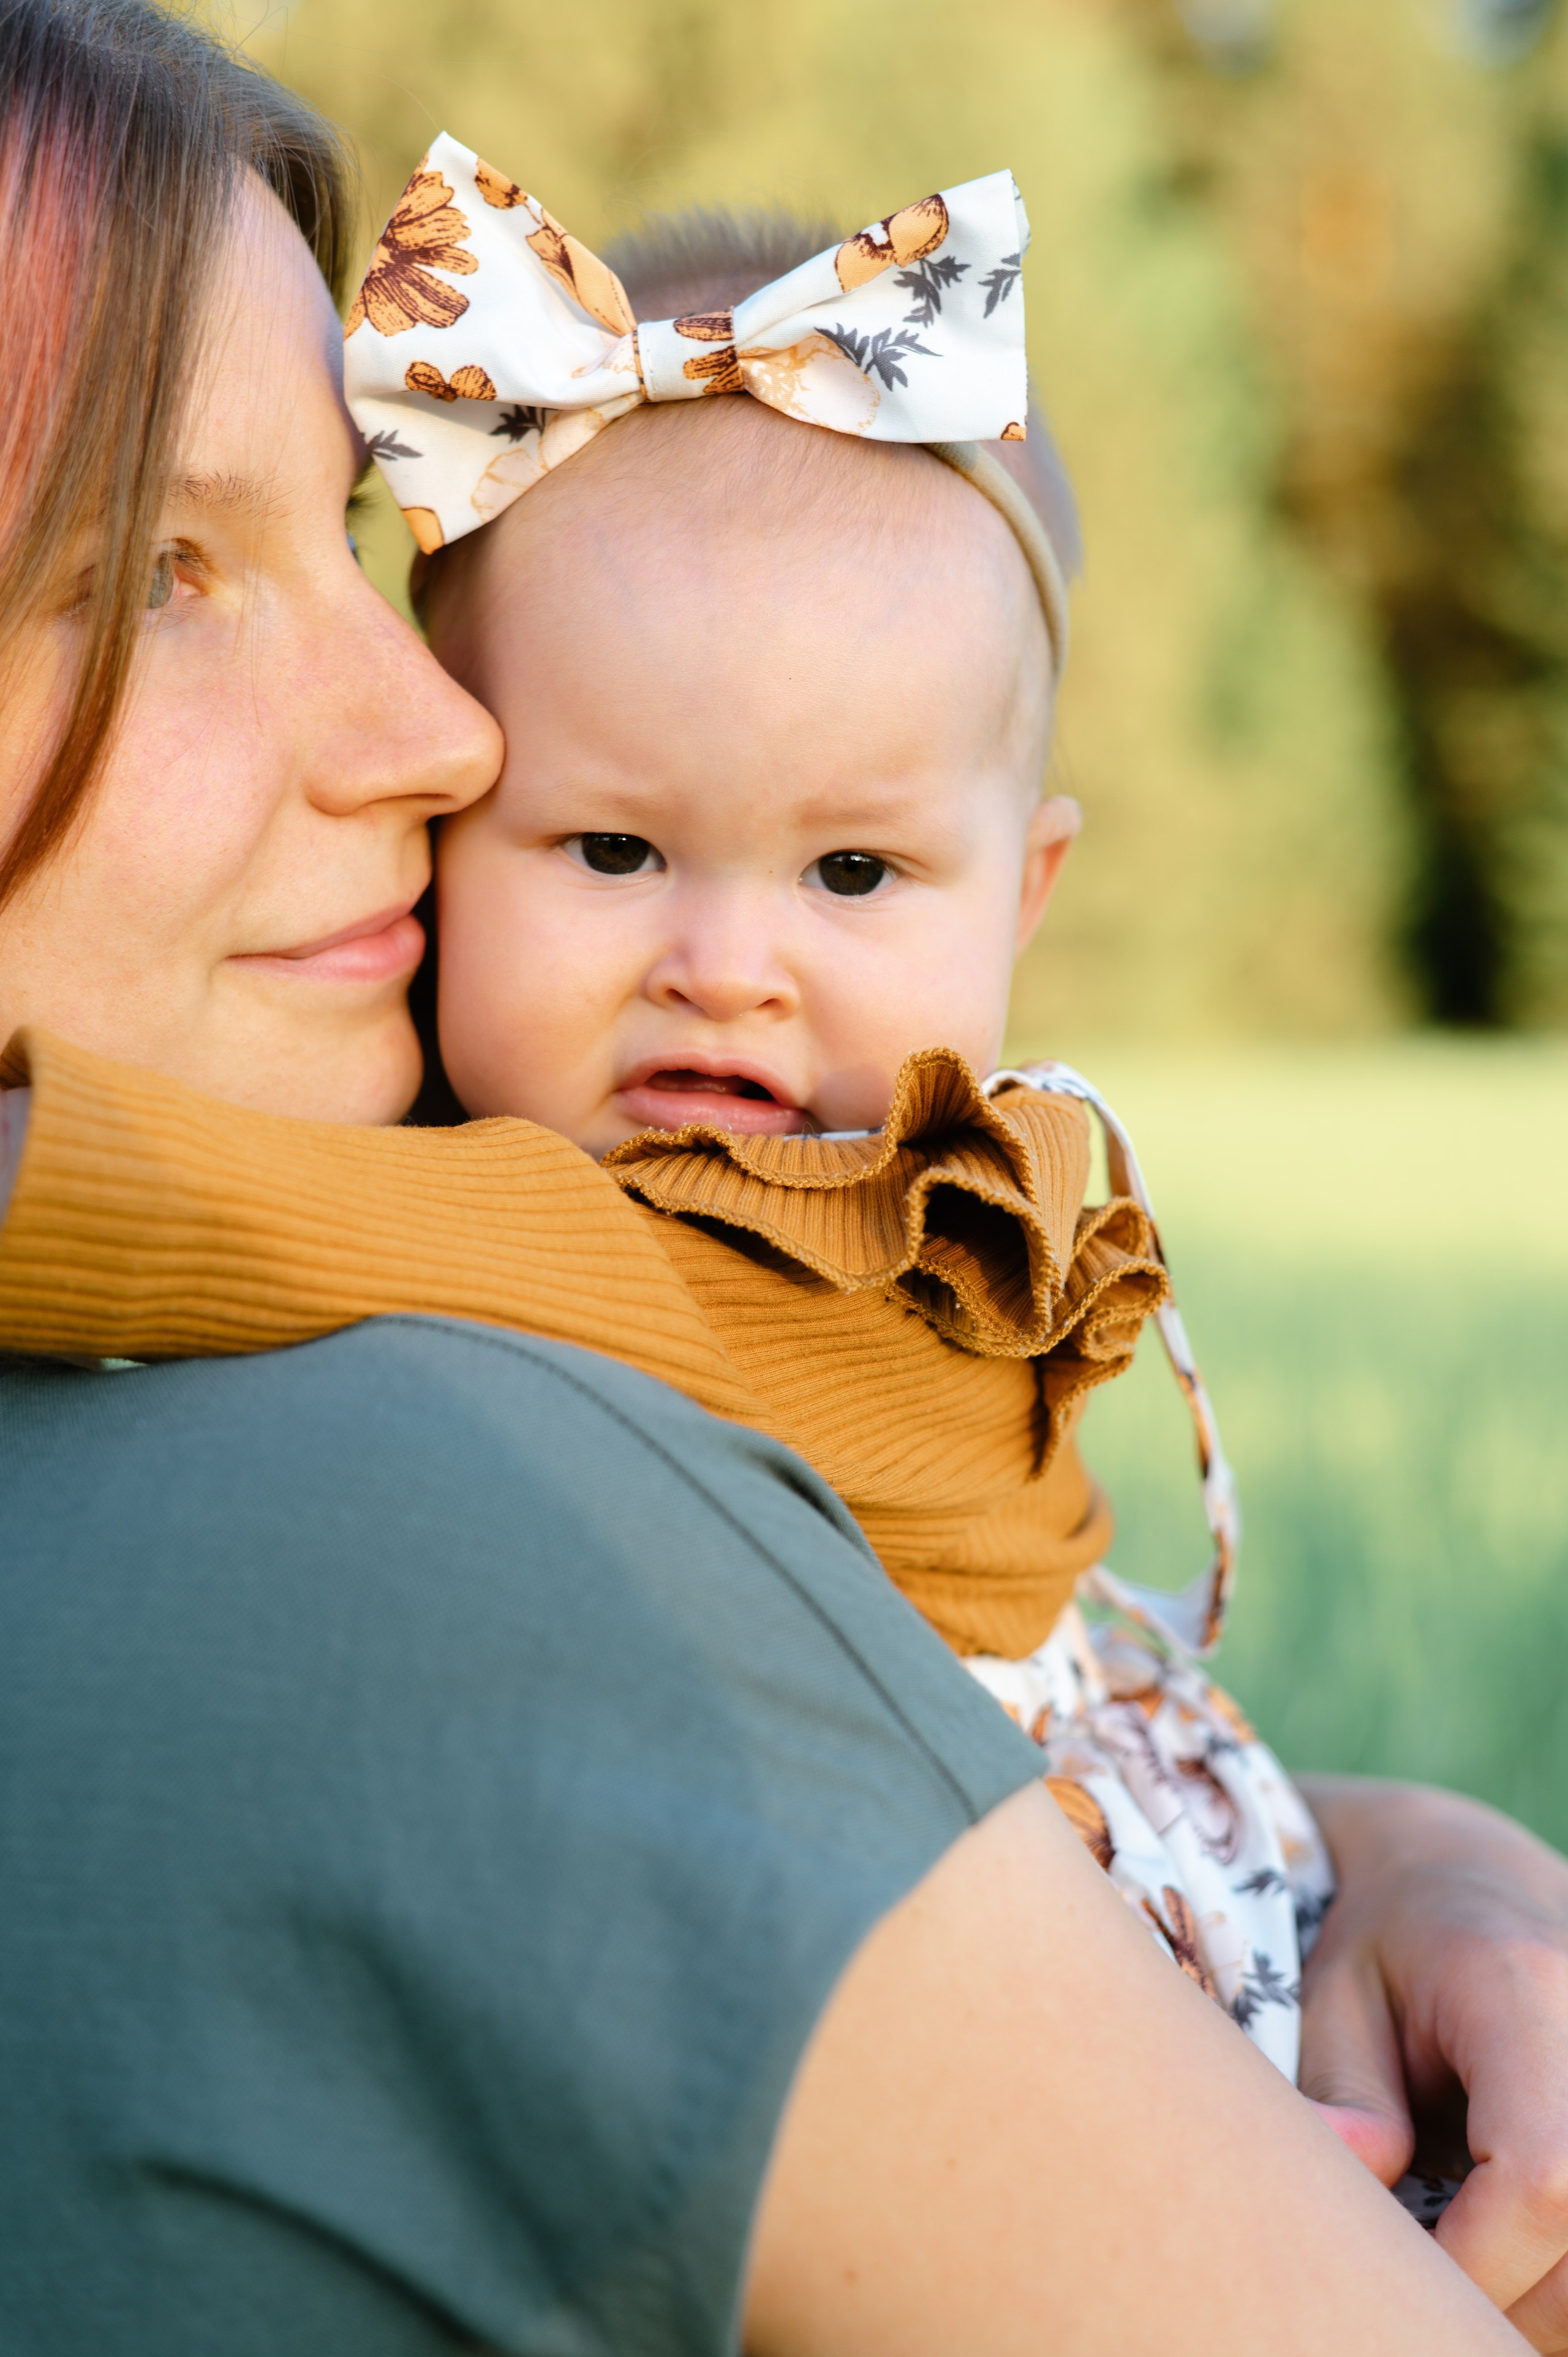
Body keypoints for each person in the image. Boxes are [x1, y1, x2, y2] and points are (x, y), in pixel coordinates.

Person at [1, 4, 1566, 2350]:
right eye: (152, 574)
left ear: (1025, 893)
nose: (443, 737)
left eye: (343, 533)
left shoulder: (726, 1246)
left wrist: (1391, 1856)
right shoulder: (444, 1478)